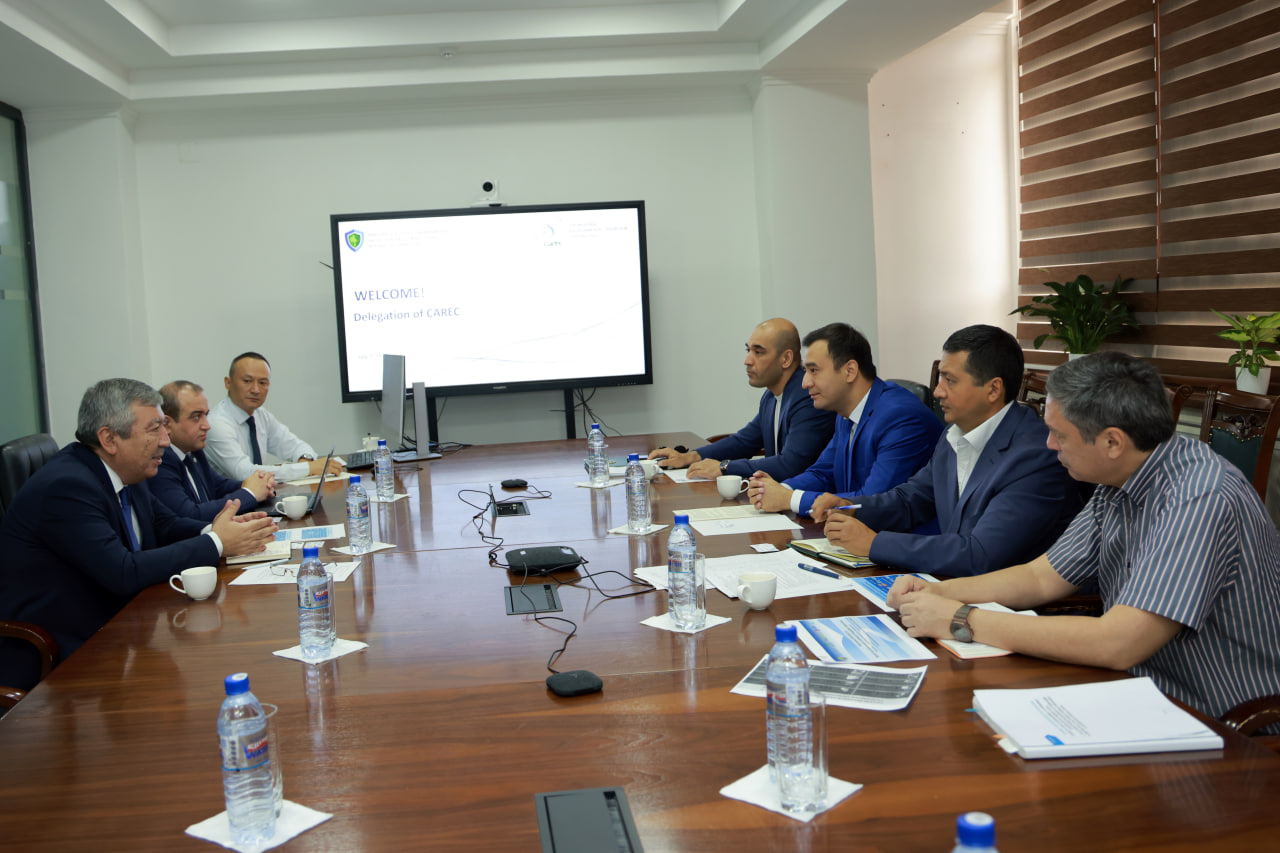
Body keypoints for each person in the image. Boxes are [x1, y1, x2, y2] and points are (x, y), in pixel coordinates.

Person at [887, 352, 1280, 728]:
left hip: (1220, 721)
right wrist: (939, 591)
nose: (1049, 445)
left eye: (1059, 434)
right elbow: (1041, 577)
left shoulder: (1198, 498)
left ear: (1112, 442)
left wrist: (961, 620)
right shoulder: (1119, 476)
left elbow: (1118, 643)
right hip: (1137, 692)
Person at [0, 379, 277, 685]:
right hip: (62, 656)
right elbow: (122, 571)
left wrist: (222, 530)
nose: (165, 440)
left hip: (121, 629)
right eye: (155, 429)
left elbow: (165, 525)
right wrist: (217, 542)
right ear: (109, 439)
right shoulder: (67, 486)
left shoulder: (127, 470)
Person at [823, 325, 1081, 575]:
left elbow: (980, 554)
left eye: (950, 380)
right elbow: (912, 499)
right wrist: (852, 507)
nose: (937, 391)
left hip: (1012, 599)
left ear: (993, 389)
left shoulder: (1035, 456)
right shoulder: (954, 434)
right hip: (954, 585)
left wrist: (874, 544)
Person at [747, 323, 942, 520]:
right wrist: (779, 489)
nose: (805, 383)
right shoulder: (845, 412)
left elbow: (872, 502)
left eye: (814, 370)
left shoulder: (901, 417)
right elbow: (823, 473)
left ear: (849, 371)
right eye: (805, 371)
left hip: (900, 536)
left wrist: (790, 499)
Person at [648, 318, 835, 481]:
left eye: (758, 352)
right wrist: (690, 457)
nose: (747, 360)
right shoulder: (771, 396)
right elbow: (744, 442)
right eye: (748, 350)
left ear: (786, 359)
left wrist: (724, 468)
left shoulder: (808, 396)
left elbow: (790, 465)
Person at [205, 351, 343, 482]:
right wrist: (308, 468)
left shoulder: (260, 414)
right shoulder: (216, 424)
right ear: (228, 383)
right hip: (230, 498)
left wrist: (305, 460)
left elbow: (295, 446)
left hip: (260, 494)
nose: (255, 390)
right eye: (247, 381)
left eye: (262, 383)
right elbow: (244, 473)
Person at [153, 380, 276, 522]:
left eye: (206, 415)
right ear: (167, 424)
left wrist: (258, 484)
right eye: (196, 417)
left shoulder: (193, 451)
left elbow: (218, 486)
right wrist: (250, 493)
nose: (207, 425)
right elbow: (190, 515)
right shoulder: (160, 461)